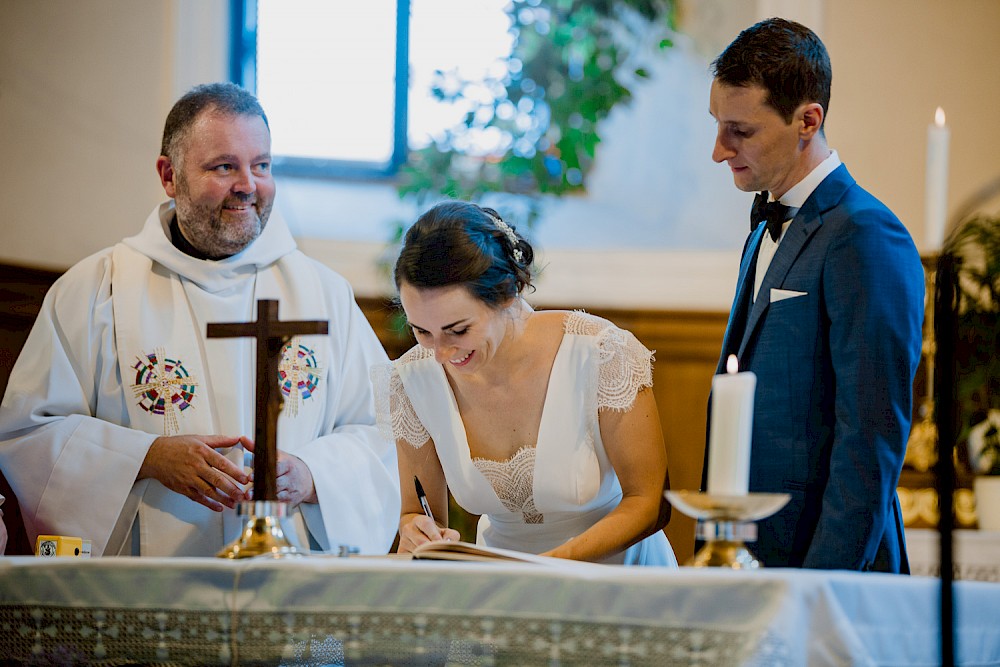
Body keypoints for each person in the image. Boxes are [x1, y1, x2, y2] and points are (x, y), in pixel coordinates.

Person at [0, 83, 400, 557]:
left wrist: (313, 475)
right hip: (148, 597)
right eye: (224, 166)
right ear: (169, 176)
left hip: (291, 592)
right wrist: (146, 458)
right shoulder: (95, 290)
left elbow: (382, 432)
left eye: (262, 166)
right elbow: (29, 432)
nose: (248, 185)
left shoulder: (323, 294)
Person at [705, 18, 924, 571]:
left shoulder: (865, 233)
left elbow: (869, 440)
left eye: (741, 131)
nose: (718, 150)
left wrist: (820, 589)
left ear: (808, 120)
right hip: (753, 557)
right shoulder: (762, 230)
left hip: (826, 569)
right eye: (717, 126)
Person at [372, 201, 677, 565]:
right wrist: (416, 530)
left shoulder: (600, 353)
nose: (439, 353)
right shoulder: (413, 380)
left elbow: (650, 502)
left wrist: (547, 566)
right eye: (421, 331)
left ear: (506, 294)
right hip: (503, 588)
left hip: (617, 577)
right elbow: (419, 513)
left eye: (458, 330)